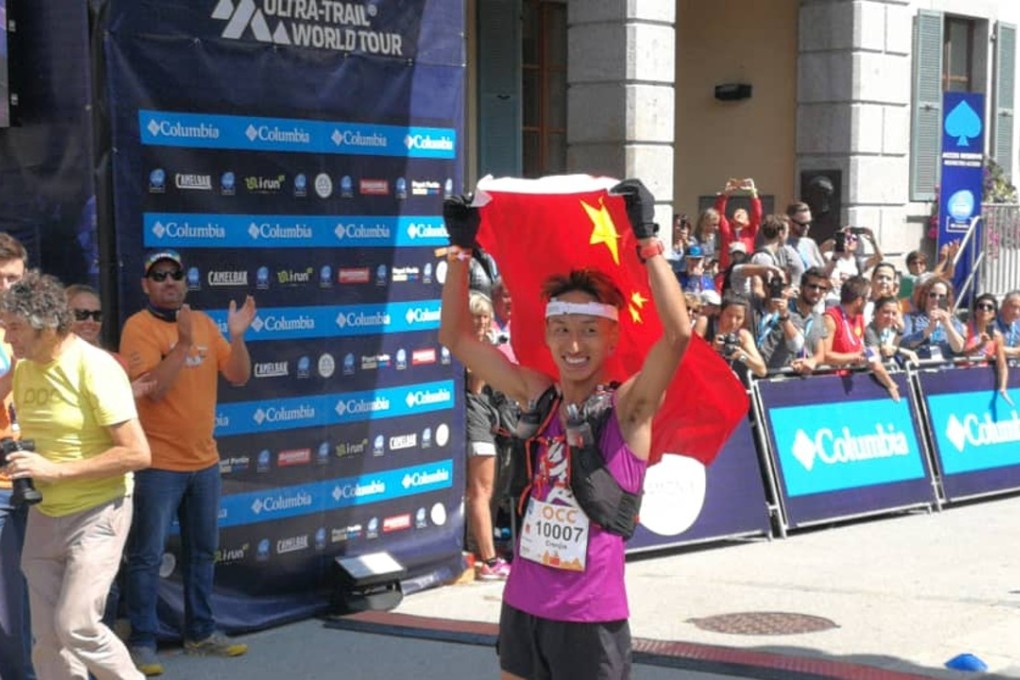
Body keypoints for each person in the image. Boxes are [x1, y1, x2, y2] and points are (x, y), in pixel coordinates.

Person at [439, 180, 691, 680]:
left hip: (589, 615)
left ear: (613, 334)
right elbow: (455, 337)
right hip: (525, 605)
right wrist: (461, 254)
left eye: (589, 331)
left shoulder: (628, 408)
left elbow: (678, 334)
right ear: (547, 335)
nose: (574, 345)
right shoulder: (540, 394)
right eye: (562, 330)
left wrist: (648, 242)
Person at [0, 270, 151, 680]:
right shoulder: (26, 367)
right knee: (48, 642)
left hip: (97, 511)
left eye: (14, 327)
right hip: (43, 515)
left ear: (45, 324)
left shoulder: (95, 368)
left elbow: (138, 453)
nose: (8, 337)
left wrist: (56, 470)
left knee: (77, 626)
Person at [120, 250, 255, 676]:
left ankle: (200, 632)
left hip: (205, 462)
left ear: (185, 281)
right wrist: (180, 345)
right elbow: (155, 390)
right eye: (158, 276)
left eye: (175, 275)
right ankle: (142, 641)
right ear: (145, 285)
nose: (168, 281)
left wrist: (236, 337)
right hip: (157, 464)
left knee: (202, 553)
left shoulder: (202, 323)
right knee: (146, 556)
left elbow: (238, 375)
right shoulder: (137, 328)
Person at [465, 291, 515, 579]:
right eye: (476, 316)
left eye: (485, 316)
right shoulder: (467, 348)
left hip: (489, 423)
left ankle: (481, 551)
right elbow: (474, 389)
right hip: (473, 425)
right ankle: (489, 561)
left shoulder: (488, 344)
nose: (482, 322)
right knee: (479, 493)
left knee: (489, 491)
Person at [0, 232, 32, 680]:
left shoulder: (25, 329)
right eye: (3, 279)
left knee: (31, 601)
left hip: (35, 478)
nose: (11, 288)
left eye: (17, 279)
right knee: (8, 611)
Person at [821, 275, 900, 400]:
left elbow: (867, 354)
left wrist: (889, 383)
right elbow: (824, 356)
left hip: (851, 378)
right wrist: (855, 357)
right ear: (859, 300)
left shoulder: (859, 317)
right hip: (831, 382)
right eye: (867, 299)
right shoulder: (830, 319)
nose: (868, 303)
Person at [758, 268, 828, 374]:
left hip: (799, 378)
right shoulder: (782, 308)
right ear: (801, 287)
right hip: (772, 373)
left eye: (822, 288)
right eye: (812, 286)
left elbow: (821, 354)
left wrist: (812, 361)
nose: (817, 291)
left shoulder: (817, 318)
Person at [901, 276, 966, 361]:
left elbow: (958, 348)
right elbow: (905, 344)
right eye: (932, 295)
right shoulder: (910, 318)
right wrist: (928, 330)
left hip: (945, 369)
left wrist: (947, 324)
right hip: (920, 369)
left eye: (942, 296)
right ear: (926, 296)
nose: (937, 299)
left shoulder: (954, 321)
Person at [711, 295, 767, 383]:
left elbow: (761, 371)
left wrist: (741, 356)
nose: (733, 322)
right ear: (720, 312)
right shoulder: (706, 326)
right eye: (729, 315)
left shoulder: (743, 336)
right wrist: (711, 350)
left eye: (739, 318)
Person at [715, 178, 762, 271]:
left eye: (743, 213)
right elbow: (719, 213)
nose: (740, 213)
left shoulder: (750, 231)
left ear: (747, 220)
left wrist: (753, 192)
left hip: (746, 268)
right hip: (726, 269)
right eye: (737, 212)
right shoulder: (727, 230)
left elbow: (757, 215)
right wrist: (725, 194)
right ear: (732, 219)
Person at [864, 296, 918, 365]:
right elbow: (880, 354)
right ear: (875, 312)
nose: (890, 317)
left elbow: (890, 352)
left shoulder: (889, 331)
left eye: (894, 313)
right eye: (886, 312)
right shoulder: (869, 331)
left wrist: (900, 331)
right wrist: (905, 352)